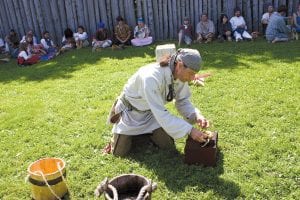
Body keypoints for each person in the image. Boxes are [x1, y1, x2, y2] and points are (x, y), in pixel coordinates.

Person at [104, 48, 211, 157]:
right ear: (179, 65)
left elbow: (182, 100)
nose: (192, 78)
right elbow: (161, 113)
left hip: (151, 113)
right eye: (191, 73)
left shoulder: (180, 75)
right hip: (130, 113)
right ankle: (129, 134)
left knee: (167, 145)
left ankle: (143, 135)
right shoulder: (151, 78)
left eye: (194, 74)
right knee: (119, 153)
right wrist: (190, 130)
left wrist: (196, 115)